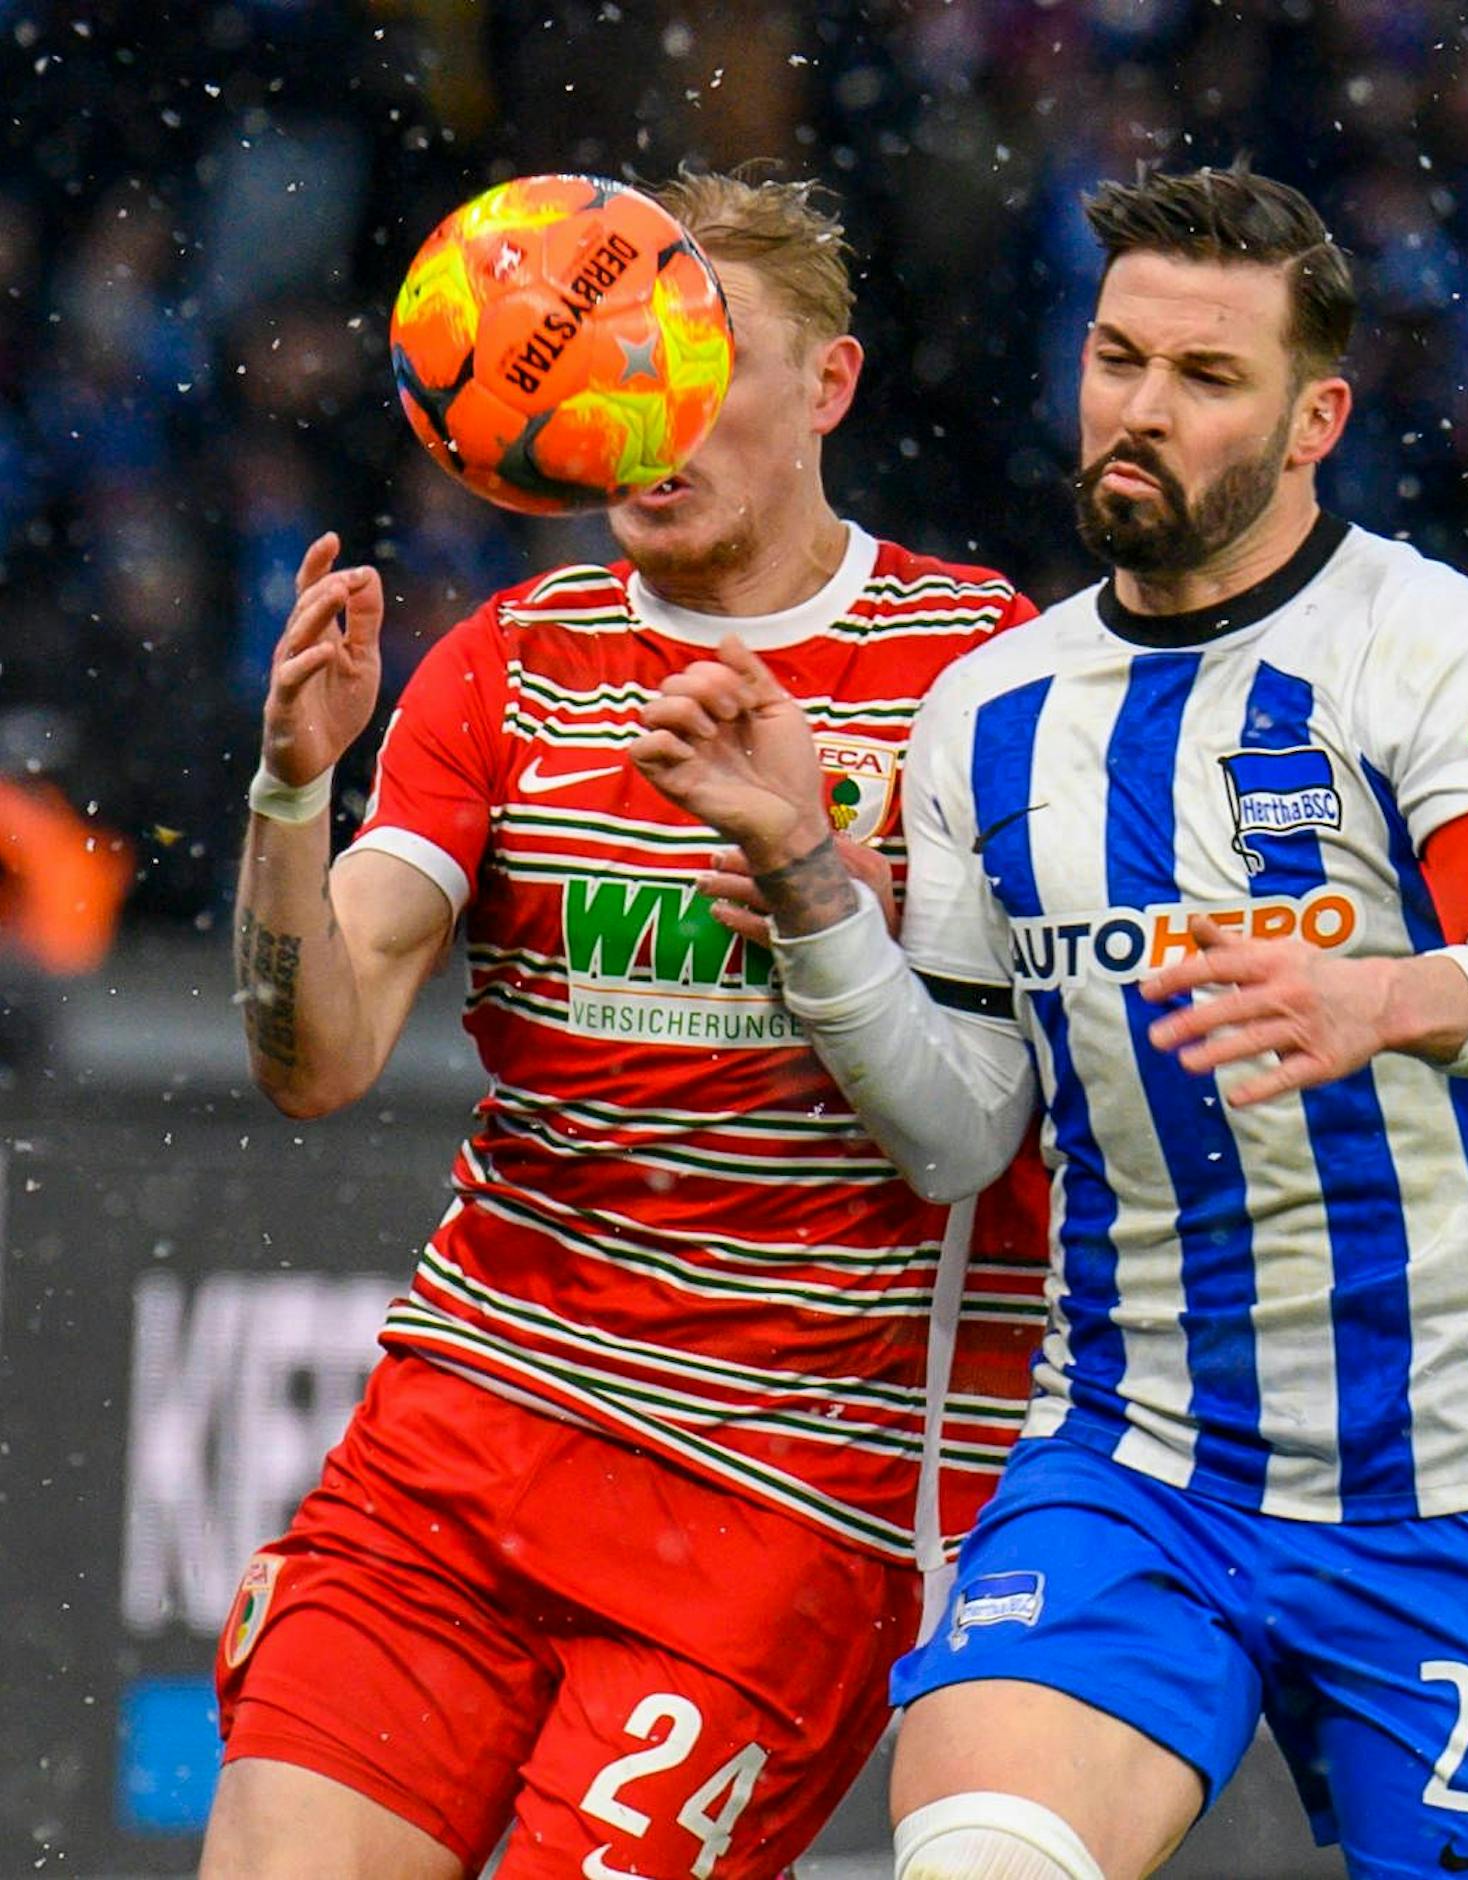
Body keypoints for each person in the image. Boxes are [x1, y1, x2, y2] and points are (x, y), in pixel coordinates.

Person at [632, 161, 1468, 1878]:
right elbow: (957, 1127)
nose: (1140, 412)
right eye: (1119, 362)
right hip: (1135, 1463)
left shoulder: (1419, 643)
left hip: (1454, 1476)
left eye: (1204, 379)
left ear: (1315, 416)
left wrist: (1388, 994)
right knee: (976, 1856)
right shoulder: (997, 712)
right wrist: (811, 882)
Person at [205, 170, 1046, 1880]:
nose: (633, 399)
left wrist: (831, 891)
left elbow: (980, 1126)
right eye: (607, 346)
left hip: (785, 1506)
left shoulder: (984, 672)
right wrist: (293, 786)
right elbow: (321, 1057)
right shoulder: (509, 664)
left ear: (830, 389)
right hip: (464, 1441)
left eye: (697, 353)